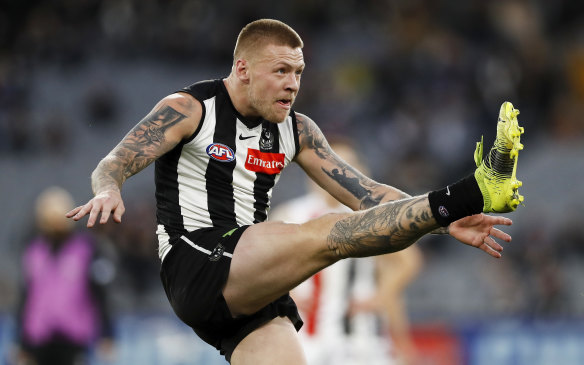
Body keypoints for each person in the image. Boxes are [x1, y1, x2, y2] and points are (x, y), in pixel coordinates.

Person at [67, 18, 524, 365]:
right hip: (197, 261)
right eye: (281, 70)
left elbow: (368, 195)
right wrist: (109, 189)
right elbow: (116, 160)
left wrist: (444, 224)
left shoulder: (298, 130)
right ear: (243, 69)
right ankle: (474, 189)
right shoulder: (191, 107)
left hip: (250, 286)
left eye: (299, 72)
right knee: (325, 233)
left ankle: (455, 204)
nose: (293, 83)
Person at [270, 138, 423, 365]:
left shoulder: (371, 216)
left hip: (360, 343)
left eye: (345, 165)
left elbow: (408, 263)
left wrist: (381, 297)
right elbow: (261, 266)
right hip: (306, 340)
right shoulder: (291, 214)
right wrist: (282, 293)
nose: (336, 172)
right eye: (329, 163)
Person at [17, 186, 115, 365]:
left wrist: (107, 333)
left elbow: (99, 294)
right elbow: (26, 298)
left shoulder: (85, 249)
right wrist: (21, 343)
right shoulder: (35, 251)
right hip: (39, 337)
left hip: (73, 337)